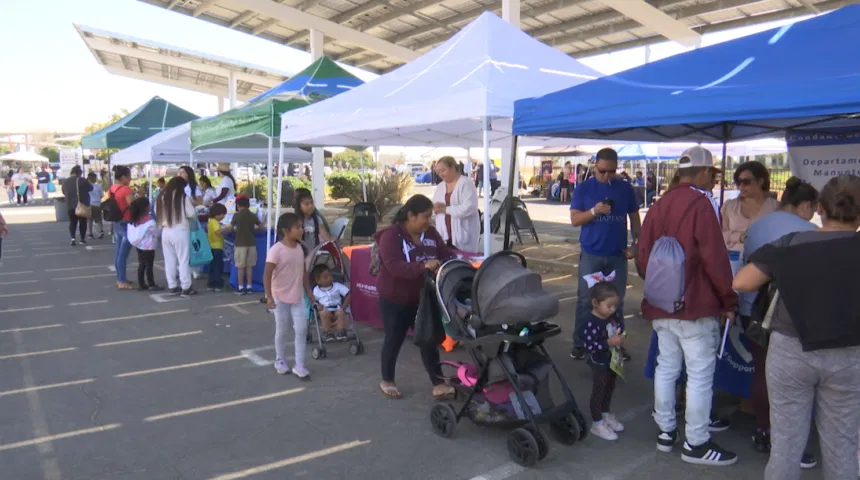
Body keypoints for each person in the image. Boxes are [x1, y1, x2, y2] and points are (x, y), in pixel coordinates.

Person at [734, 174, 860, 480]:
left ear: (819, 208)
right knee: (842, 445)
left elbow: (742, 282)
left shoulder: (789, 243)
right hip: (849, 355)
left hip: (790, 349)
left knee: (786, 446)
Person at [637, 146, 738, 466]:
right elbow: (715, 259)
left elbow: (643, 257)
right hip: (695, 305)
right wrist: (728, 299)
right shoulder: (701, 204)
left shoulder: (659, 204)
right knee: (699, 375)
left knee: (666, 367)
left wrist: (658, 287)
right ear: (706, 172)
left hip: (661, 303)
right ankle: (696, 442)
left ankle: (666, 432)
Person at [740, 177, 819, 469]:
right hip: (789, 316)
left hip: (752, 309)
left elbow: (748, 262)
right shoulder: (811, 232)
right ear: (806, 206)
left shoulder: (760, 224)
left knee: (761, 372)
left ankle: (762, 430)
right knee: (794, 385)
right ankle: (787, 445)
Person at [374, 194, 456, 400]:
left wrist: (453, 260)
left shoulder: (430, 233)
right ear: (410, 216)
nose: (428, 221)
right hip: (395, 297)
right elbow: (394, 266)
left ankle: (438, 383)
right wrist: (422, 267)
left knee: (427, 339)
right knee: (394, 338)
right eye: (425, 216)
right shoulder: (391, 235)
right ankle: (387, 380)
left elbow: (444, 253)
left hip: (422, 297)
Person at [569, 148, 640, 361]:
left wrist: (636, 244)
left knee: (615, 303)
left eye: (611, 171)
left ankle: (616, 344)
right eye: (602, 171)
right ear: (594, 165)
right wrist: (594, 212)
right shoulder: (584, 188)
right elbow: (574, 220)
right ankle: (581, 343)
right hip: (592, 254)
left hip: (617, 255)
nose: (607, 176)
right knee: (585, 300)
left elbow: (635, 219)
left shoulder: (625, 188)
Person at [264, 212, 312, 379]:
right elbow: (267, 274)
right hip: (279, 296)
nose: (301, 230)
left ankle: (299, 364)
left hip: (297, 296)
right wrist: (269, 297)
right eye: (297, 227)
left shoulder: (300, 249)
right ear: (285, 230)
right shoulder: (276, 250)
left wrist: (309, 293)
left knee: (301, 329)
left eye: (301, 227)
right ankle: (280, 360)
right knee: (282, 329)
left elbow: (304, 273)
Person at [578, 281, 626, 441]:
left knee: (610, 388)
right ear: (595, 303)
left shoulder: (613, 316)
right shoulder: (590, 321)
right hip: (599, 360)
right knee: (599, 391)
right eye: (609, 306)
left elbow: (619, 327)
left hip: (612, 359)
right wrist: (608, 343)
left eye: (615, 305)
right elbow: (589, 346)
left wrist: (621, 337)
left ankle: (606, 415)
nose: (613, 309)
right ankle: (597, 423)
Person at [721, 162, 779, 253]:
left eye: (746, 182)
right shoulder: (729, 206)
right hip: (733, 261)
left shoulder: (775, 208)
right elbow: (718, 234)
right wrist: (739, 237)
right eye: (738, 182)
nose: (741, 186)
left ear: (760, 181)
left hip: (765, 261)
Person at [157, 176, 197, 297]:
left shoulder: (161, 197)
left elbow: (156, 212)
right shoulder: (183, 197)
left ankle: (172, 285)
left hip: (165, 231)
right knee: (183, 259)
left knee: (169, 260)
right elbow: (191, 214)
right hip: (180, 230)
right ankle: (186, 286)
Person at [432, 156, 480, 253]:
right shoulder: (440, 186)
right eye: (438, 172)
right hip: (444, 235)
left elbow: (469, 208)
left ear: (453, 167)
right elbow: (435, 206)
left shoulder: (466, 183)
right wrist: (434, 209)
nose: (441, 174)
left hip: (463, 235)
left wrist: (446, 209)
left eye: (443, 170)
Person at [229, 196, 263, 294]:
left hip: (240, 243)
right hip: (251, 243)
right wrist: (253, 230)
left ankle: (240, 287)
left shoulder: (236, 215)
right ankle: (249, 286)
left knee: (240, 267)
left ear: (238, 205)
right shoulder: (252, 215)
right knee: (249, 266)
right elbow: (261, 226)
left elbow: (230, 228)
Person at [127, 197, 162, 292]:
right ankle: (151, 283)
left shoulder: (134, 219)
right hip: (149, 245)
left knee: (142, 263)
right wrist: (160, 227)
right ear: (146, 207)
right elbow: (156, 233)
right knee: (149, 264)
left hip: (139, 245)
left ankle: (141, 283)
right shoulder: (149, 221)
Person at [109, 166, 136, 290]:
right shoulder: (126, 190)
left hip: (117, 222)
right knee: (123, 254)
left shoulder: (112, 188)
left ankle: (120, 278)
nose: (130, 179)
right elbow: (134, 207)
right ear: (123, 177)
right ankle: (121, 280)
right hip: (126, 223)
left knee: (118, 252)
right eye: (129, 176)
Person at [311, 264, 351, 342]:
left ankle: (341, 331)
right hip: (325, 309)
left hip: (337, 308)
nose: (329, 278)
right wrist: (317, 305)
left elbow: (348, 294)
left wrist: (344, 305)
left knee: (341, 312)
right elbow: (313, 300)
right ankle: (328, 332)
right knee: (324, 313)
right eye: (326, 277)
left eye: (330, 275)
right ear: (318, 281)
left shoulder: (337, 286)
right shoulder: (316, 290)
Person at [61, 166, 93, 246]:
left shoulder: (65, 181)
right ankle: (82, 239)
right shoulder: (82, 180)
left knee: (72, 222)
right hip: (81, 204)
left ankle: (73, 238)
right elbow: (90, 188)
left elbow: (64, 192)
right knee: (82, 222)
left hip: (70, 205)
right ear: (79, 173)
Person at [206, 203, 228, 292]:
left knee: (212, 266)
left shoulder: (210, 220)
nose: (223, 217)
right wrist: (226, 228)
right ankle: (218, 283)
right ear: (217, 214)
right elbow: (218, 232)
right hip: (217, 246)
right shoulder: (215, 222)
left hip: (211, 245)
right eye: (223, 215)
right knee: (218, 266)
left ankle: (210, 283)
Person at [86, 172, 104, 240]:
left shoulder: (86, 186)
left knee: (89, 220)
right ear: (94, 178)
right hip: (97, 204)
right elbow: (101, 195)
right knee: (99, 219)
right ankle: (100, 231)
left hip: (89, 204)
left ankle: (90, 234)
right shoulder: (98, 186)